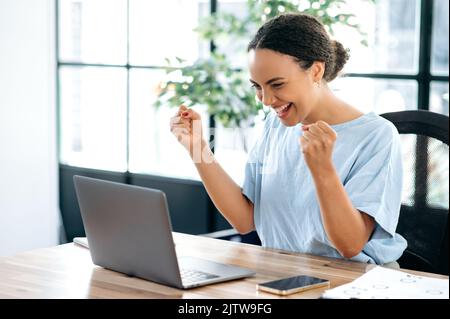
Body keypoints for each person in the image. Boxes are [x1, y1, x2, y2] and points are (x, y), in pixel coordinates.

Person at [169, 13, 407, 265]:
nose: (266, 100)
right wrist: (198, 149)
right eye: (257, 87)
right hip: (283, 273)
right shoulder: (276, 126)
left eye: (277, 84)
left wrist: (323, 169)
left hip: (352, 281)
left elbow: (350, 244)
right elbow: (245, 219)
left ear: (316, 71)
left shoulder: (375, 136)